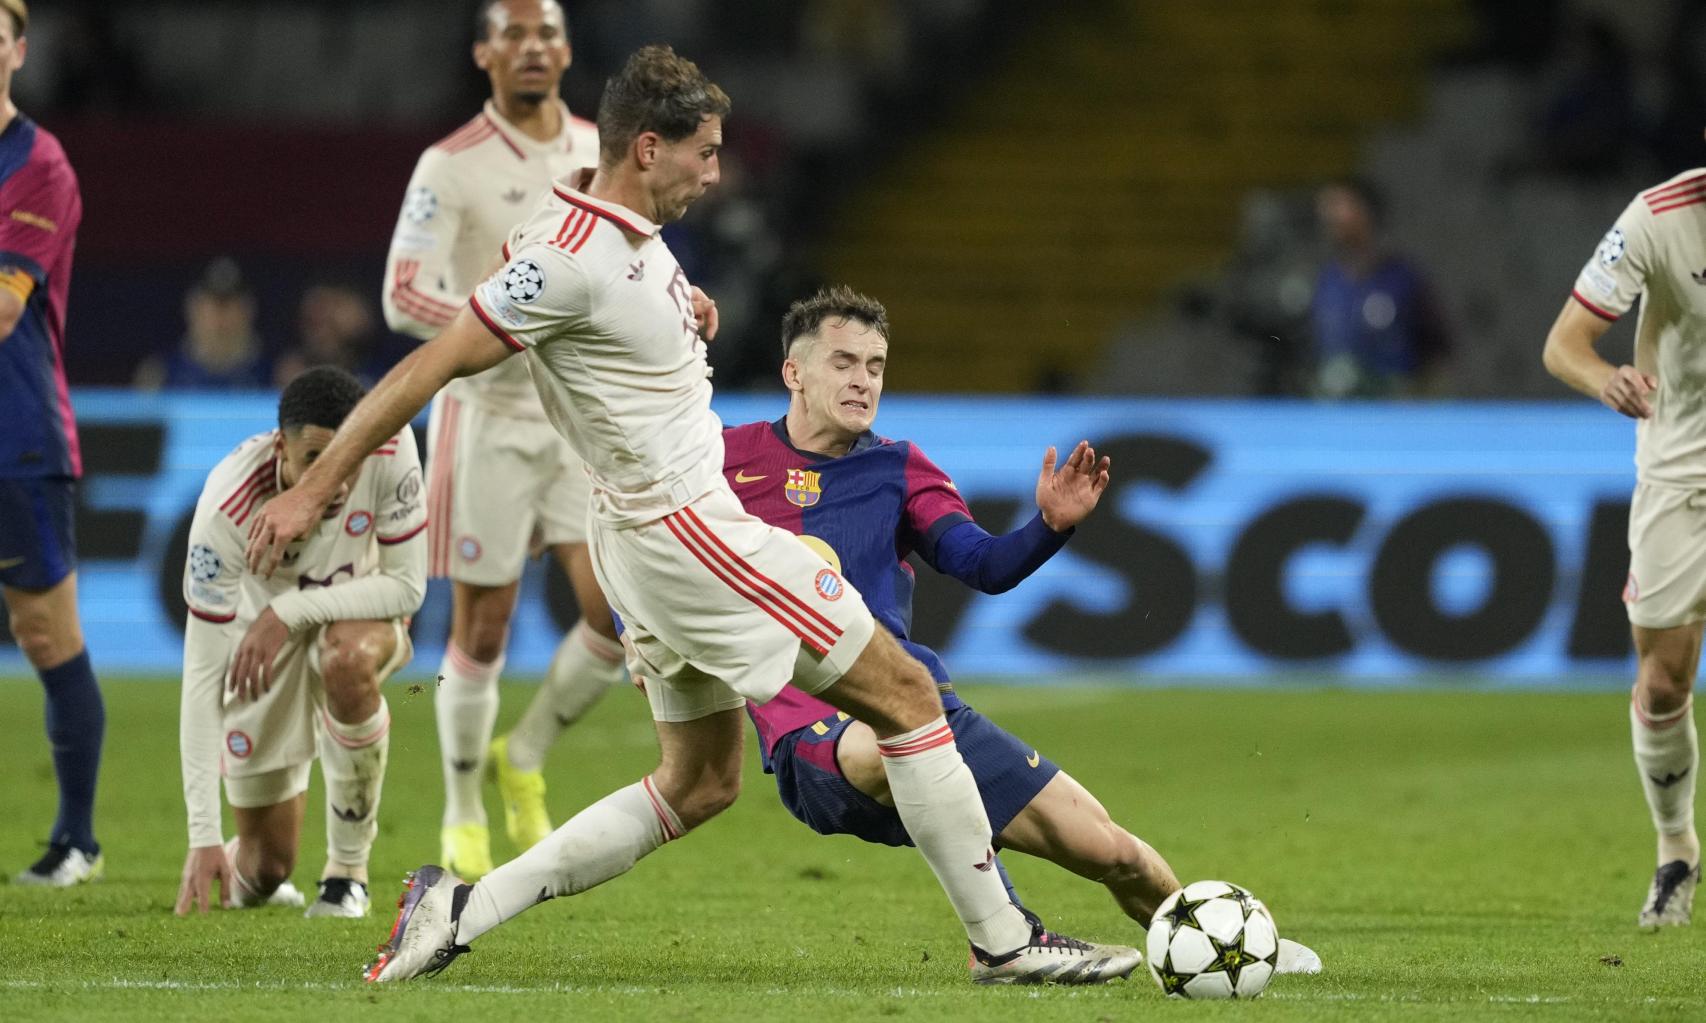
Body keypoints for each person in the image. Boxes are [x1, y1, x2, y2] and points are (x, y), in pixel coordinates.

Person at [250, 44, 1136, 986]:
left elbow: (573, 260)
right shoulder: (571, 261)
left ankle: (460, 907)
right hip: (692, 530)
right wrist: (316, 486)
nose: (715, 172)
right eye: (702, 153)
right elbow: (433, 364)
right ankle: (1004, 940)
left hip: (637, 540)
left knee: (700, 779)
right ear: (645, 147)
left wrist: (680, 316)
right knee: (910, 696)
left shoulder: (608, 226)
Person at [730, 286, 1322, 977]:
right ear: (793, 372)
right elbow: (647, 543)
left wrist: (1049, 527)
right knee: (894, 734)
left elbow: (981, 563)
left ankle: (1228, 950)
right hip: (820, 738)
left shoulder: (898, 468)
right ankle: (1009, 940)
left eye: (876, 364)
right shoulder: (723, 461)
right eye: (843, 362)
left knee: (1114, 852)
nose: (863, 380)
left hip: (925, 711)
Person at [381, 0, 621, 881]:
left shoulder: (601, 150)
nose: (532, 47)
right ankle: (460, 811)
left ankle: (524, 754)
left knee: (616, 615)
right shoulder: (450, 165)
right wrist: (503, 322)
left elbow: (639, 258)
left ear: (567, 50)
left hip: (581, 420)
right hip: (485, 417)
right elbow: (404, 295)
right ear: (484, 52)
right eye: (513, 34)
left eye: (547, 33)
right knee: (483, 626)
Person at [174, 366, 427, 918]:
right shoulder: (227, 509)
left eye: (345, 458)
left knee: (347, 658)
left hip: (362, 605)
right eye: (314, 459)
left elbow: (408, 587)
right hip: (259, 639)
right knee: (266, 869)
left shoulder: (390, 443)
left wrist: (289, 610)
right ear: (278, 448)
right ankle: (260, 863)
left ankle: (347, 875)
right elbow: (200, 676)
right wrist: (203, 835)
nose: (336, 481)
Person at [1543, 163, 1706, 929]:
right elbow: (1564, 344)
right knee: (1664, 681)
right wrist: (1605, 379)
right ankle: (1676, 846)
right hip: (1682, 481)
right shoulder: (1658, 216)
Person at [0, 0, 104, 888]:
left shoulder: (39, 165)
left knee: (44, 629)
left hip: (17, 434)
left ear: (18, 50)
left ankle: (76, 837)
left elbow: (2, 310)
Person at [1309, 178, 1451, 398]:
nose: (1329, 215)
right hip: (1336, 415)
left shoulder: (1403, 280)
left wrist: (1422, 404)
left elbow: (1439, 350)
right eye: (1326, 207)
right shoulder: (1324, 281)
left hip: (1392, 413)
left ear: (1365, 211)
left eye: (1339, 205)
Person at [133, 257, 272, 391]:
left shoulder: (276, 374)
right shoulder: (159, 375)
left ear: (249, 310)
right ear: (193, 308)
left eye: (232, 305)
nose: (222, 318)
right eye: (214, 306)